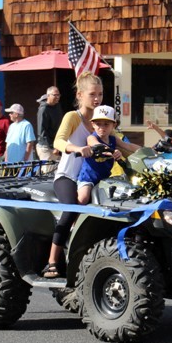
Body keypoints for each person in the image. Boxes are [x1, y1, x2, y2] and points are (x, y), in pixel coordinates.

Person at [41, 72, 105, 279]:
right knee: (71, 208)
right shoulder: (72, 117)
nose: (97, 99)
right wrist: (76, 148)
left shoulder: (102, 120)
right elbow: (58, 141)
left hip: (92, 179)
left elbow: (120, 141)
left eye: (100, 94)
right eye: (92, 94)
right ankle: (51, 262)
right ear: (80, 94)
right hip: (67, 177)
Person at [76, 105, 140, 205]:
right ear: (92, 124)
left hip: (105, 178)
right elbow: (96, 144)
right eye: (98, 124)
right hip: (88, 178)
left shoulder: (113, 139)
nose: (102, 128)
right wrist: (111, 151)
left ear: (113, 125)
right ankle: (74, 220)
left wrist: (149, 150)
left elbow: (128, 146)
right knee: (83, 198)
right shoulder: (92, 137)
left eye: (106, 124)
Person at [36, 86, 63, 162]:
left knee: (59, 170)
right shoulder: (43, 110)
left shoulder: (58, 107)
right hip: (46, 147)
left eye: (58, 95)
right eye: (55, 95)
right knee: (47, 171)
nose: (57, 97)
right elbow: (42, 131)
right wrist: (52, 146)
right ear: (48, 96)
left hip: (57, 145)